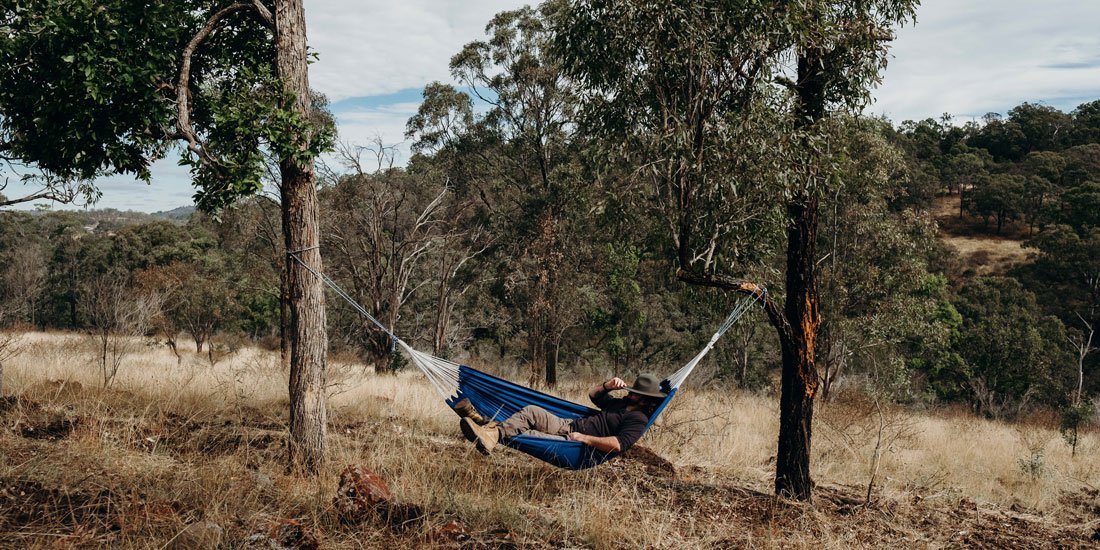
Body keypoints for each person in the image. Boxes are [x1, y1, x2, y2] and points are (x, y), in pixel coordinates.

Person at [453, 374, 667, 455]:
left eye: (636, 394)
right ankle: (486, 428)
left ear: (646, 399)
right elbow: (594, 395)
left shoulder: (638, 419)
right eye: (632, 390)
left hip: (573, 442)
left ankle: (484, 425)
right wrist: (608, 385)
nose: (631, 394)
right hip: (568, 424)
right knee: (531, 411)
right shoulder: (620, 405)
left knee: (528, 436)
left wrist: (585, 439)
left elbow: (619, 445)